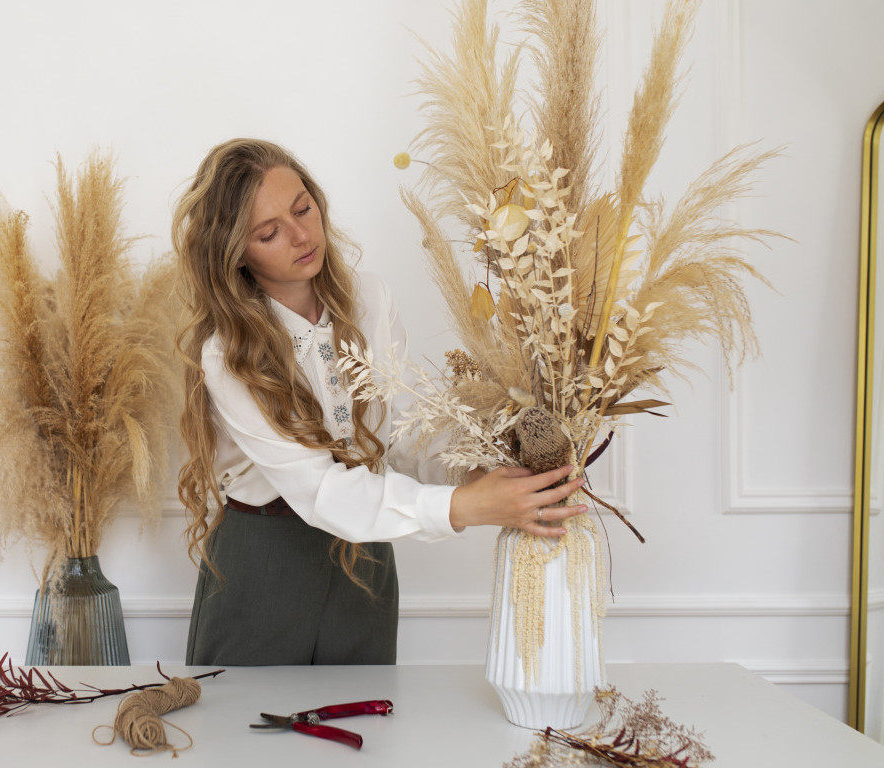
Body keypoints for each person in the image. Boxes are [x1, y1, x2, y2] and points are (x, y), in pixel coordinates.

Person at [172, 138, 584, 666]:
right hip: (264, 562)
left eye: (303, 208)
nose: (300, 235)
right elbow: (319, 489)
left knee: (364, 733)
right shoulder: (228, 354)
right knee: (247, 739)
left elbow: (402, 435)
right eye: (268, 232)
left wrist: (476, 469)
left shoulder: (369, 298)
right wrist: (461, 509)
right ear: (236, 253)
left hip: (365, 557)